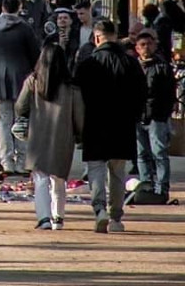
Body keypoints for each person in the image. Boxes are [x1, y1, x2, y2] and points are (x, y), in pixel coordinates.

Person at [75, 18, 147, 233]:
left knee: (95, 169)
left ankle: (99, 210)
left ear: (97, 38)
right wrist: (134, 116)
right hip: (122, 125)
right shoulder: (131, 63)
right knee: (117, 172)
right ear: (115, 36)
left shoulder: (88, 64)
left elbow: (77, 97)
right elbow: (142, 93)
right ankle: (116, 216)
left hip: (94, 124)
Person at [15, 40, 84, 230]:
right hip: (63, 137)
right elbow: (79, 116)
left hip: (38, 136)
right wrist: (79, 136)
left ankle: (43, 217)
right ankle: (58, 218)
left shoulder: (33, 82)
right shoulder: (72, 88)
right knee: (59, 179)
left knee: (40, 178)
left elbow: (20, 107)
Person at [0, 0, 41, 179]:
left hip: (0, 80)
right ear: (18, 8)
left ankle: (6, 161)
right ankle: (22, 162)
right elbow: (35, 55)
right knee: (22, 121)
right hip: (22, 80)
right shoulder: (24, 29)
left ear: (2, 7)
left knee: (4, 122)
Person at [134, 27, 176, 203]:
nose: (146, 47)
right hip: (137, 117)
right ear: (137, 48)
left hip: (156, 117)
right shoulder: (133, 66)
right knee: (142, 154)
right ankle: (146, 185)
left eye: (149, 44)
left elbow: (170, 94)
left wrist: (162, 114)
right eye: (142, 45)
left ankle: (162, 187)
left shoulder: (161, 66)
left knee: (159, 153)